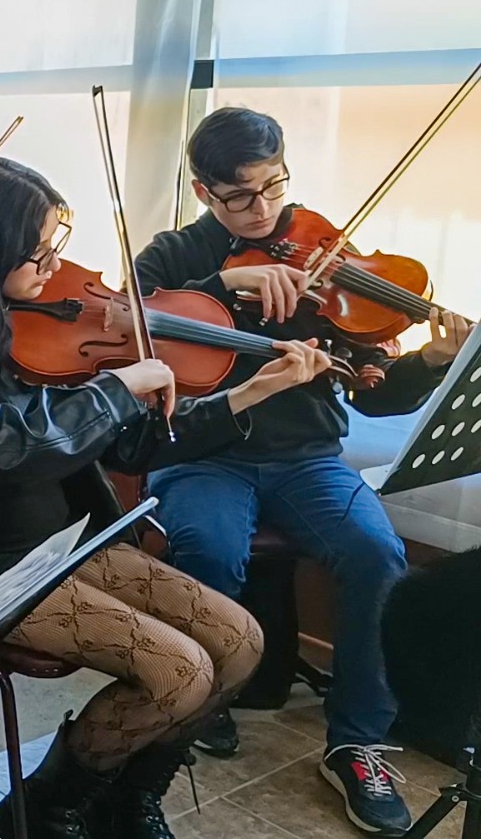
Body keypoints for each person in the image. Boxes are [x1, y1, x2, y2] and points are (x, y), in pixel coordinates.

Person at [0, 157, 333, 839]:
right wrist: (115, 389)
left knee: (240, 641)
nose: (51, 265)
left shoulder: (45, 317)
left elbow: (128, 452)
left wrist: (250, 391)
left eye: (52, 246)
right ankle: (45, 808)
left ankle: (127, 801)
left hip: (70, 540)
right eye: (36, 251)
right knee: (179, 673)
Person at [135, 106, 472, 836]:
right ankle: (203, 701)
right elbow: (144, 328)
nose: (265, 209)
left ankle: (357, 739)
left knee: (377, 552)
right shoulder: (168, 258)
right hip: (204, 457)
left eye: (275, 186)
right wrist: (230, 286)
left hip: (306, 456)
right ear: (204, 191)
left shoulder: (324, 250)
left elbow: (375, 386)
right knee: (209, 550)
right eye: (242, 197)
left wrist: (430, 362)